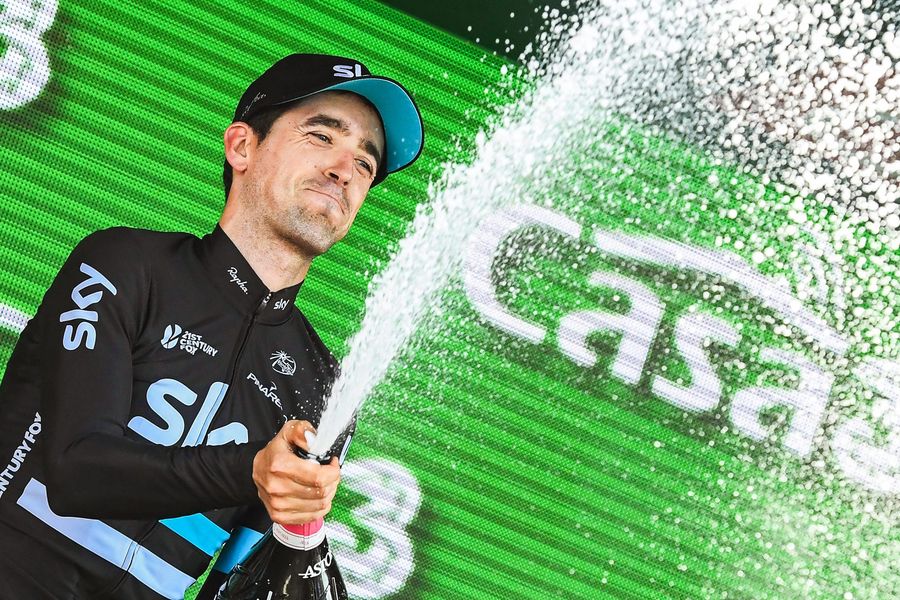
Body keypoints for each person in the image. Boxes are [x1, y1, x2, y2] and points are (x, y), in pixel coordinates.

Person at [0, 53, 424, 599]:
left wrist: (300, 550)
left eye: (365, 164)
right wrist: (252, 468)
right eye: (322, 137)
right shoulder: (124, 266)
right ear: (242, 146)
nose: (344, 170)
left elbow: (234, 586)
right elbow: (75, 471)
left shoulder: (324, 390)